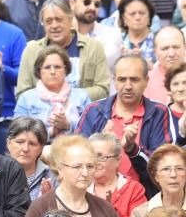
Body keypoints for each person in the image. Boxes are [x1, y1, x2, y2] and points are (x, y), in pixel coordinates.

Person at [75, 55, 175, 186]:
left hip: (145, 194)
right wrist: (100, 142)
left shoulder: (158, 112)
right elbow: (76, 157)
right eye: (122, 79)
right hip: (96, 193)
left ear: (146, 81)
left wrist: (133, 149)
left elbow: (163, 166)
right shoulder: (93, 110)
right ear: (114, 81)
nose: (128, 86)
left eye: (134, 79)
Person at [16, 0, 111, 103]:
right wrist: (49, 99)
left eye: (59, 19)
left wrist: (68, 95)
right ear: (42, 23)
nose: (54, 25)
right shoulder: (31, 51)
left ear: (70, 18)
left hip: (84, 115)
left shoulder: (94, 47)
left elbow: (103, 89)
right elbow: (22, 93)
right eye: (49, 21)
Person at [14, 46, 91, 140]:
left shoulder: (82, 96)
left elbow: (91, 130)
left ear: (66, 70)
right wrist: (51, 131)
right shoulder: (26, 98)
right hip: (39, 152)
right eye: (47, 67)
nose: (52, 72)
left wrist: (68, 125)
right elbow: (18, 133)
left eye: (57, 67)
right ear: (39, 71)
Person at [88, 131, 146, 217]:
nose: (95, 162)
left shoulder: (134, 190)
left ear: (118, 160)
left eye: (101, 157)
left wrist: (111, 214)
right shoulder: (79, 188)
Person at [145, 26, 186, 107]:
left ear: (185, 47)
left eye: (176, 47)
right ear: (155, 52)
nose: (171, 54)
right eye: (165, 49)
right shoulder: (145, 82)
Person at [117, 0, 157, 67]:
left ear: (149, 17)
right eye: (132, 14)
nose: (138, 17)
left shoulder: (159, 41)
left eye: (142, 13)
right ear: (123, 19)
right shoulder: (117, 42)